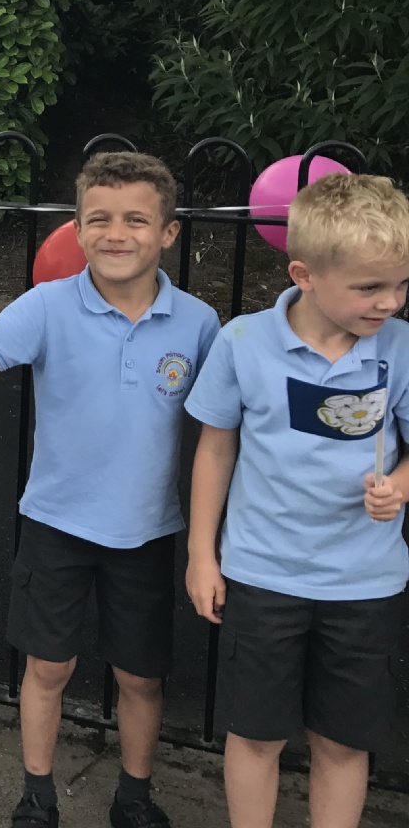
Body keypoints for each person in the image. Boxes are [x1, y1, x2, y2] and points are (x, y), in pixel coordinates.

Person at [0, 151, 220, 828]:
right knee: (47, 668)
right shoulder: (49, 306)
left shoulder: (199, 323)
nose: (117, 233)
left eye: (137, 219)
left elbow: (225, 428)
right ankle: (37, 795)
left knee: (141, 677)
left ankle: (134, 797)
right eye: (99, 219)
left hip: (147, 530)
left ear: (169, 232)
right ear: (77, 231)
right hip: (55, 525)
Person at [185, 173, 409, 828]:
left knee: (342, 742)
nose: (390, 301)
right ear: (304, 275)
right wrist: (202, 555)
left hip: (364, 581)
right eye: (369, 287)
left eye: (401, 284)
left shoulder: (401, 348)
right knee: (256, 735)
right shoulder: (242, 341)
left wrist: (400, 486)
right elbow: (214, 451)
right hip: (263, 575)